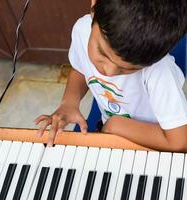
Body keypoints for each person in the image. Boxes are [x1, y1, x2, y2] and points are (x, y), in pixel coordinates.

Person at [35, 0, 187, 152]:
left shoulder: (160, 71)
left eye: (127, 69)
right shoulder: (82, 30)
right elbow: (80, 69)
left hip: (149, 143)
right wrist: (69, 102)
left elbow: (180, 141)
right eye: (102, 52)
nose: (108, 71)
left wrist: (116, 126)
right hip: (111, 130)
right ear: (94, 6)